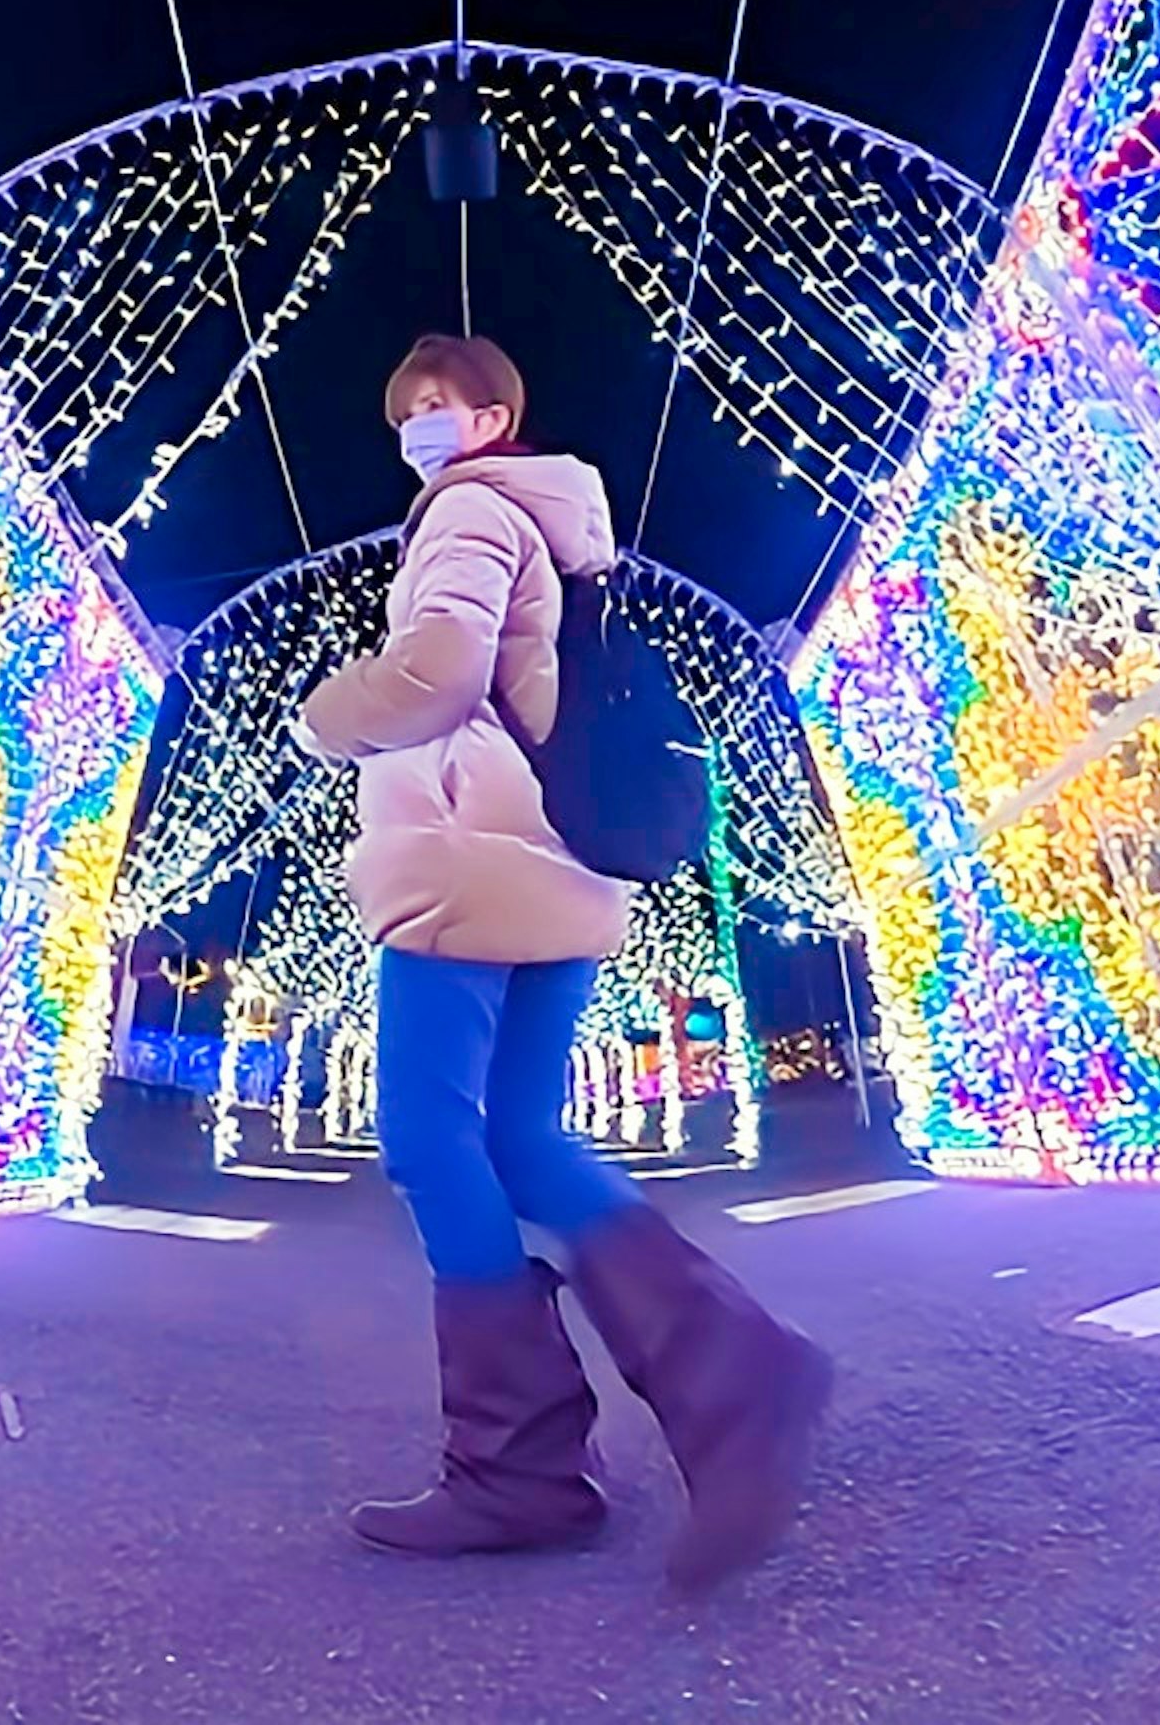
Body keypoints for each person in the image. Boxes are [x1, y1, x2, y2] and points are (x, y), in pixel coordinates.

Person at [291, 328, 831, 1586]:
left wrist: (326, 710)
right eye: (407, 405)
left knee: (430, 1137)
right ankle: (733, 1372)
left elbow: (434, 676)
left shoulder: (471, 511)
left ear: (494, 416)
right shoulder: (558, 529)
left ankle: (522, 1468)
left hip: (471, 858)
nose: (422, 422)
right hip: (561, 857)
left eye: (444, 401)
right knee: (523, 1133)